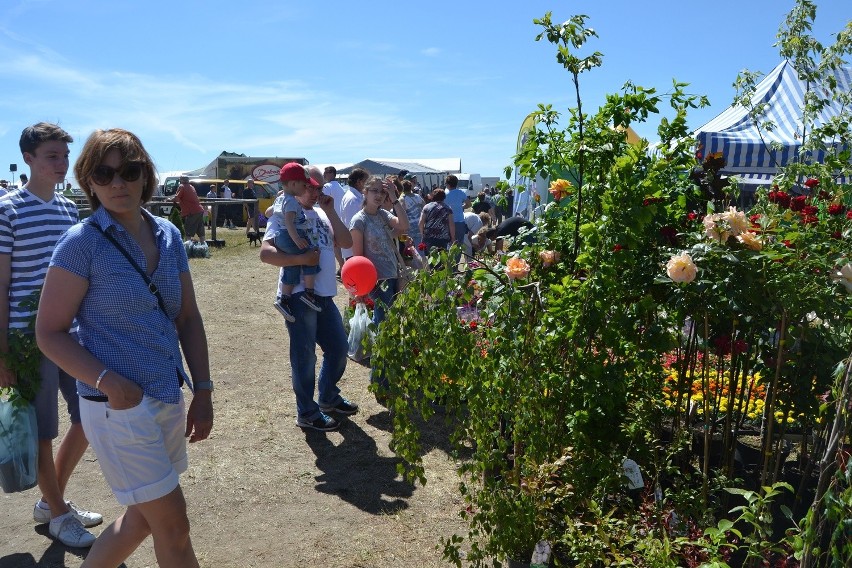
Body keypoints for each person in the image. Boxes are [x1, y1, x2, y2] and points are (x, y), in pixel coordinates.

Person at [35, 128, 214, 566]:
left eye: (129, 171)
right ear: (89, 181)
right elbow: (49, 332)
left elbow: (187, 317)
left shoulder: (169, 235)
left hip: (166, 396)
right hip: (118, 409)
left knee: (142, 519)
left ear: (145, 176)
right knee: (173, 525)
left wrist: (204, 390)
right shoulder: (81, 243)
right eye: (104, 172)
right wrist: (109, 382)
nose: (118, 182)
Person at [0, 122, 101, 548]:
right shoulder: (7, 210)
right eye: (51, 157)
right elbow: (1, 286)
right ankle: (58, 512)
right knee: (42, 429)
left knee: (90, 417)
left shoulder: (66, 210)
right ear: (28, 158)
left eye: (64, 156)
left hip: (71, 333)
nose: (61, 164)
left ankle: (51, 499)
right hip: (27, 337)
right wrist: (2, 353)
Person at [259, 166, 357, 432]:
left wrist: (332, 210)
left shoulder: (324, 213)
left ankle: (328, 397)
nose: (315, 192)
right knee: (305, 357)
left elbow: (346, 240)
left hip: (323, 295)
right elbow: (266, 254)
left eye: (318, 188)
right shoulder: (285, 213)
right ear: (298, 187)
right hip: (300, 297)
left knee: (338, 349)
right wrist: (300, 260)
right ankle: (307, 412)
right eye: (310, 187)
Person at [350, 176, 409, 391]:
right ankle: (379, 380)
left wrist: (394, 199)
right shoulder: (359, 220)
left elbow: (404, 226)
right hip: (377, 283)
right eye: (373, 190)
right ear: (364, 192)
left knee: (390, 330)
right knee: (384, 331)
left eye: (381, 192)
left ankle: (386, 376)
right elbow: (357, 260)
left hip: (393, 278)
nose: (378, 195)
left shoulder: (383, 215)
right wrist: (360, 291)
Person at [268, 163, 323, 322]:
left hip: (281, 236)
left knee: (291, 266)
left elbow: (267, 213)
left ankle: (284, 299)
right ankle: (309, 293)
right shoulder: (291, 201)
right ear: (293, 184)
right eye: (304, 185)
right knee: (311, 257)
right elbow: (289, 221)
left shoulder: (280, 199)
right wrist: (297, 239)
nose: (306, 188)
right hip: (290, 235)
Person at [338, 167, 369, 261]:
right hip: (354, 250)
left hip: (355, 248)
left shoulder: (355, 197)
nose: (368, 184)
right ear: (359, 182)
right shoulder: (353, 200)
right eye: (366, 181)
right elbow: (352, 227)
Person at [321, 166, 346, 271]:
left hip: (331, 219)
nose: (324, 175)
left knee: (335, 245)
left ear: (331, 173)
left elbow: (321, 201)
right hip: (340, 219)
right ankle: (342, 266)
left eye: (325, 173)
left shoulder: (327, 186)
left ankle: (342, 266)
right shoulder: (340, 187)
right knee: (339, 245)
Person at [419, 189, 454, 256]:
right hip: (443, 238)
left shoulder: (426, 207)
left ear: (433, 196)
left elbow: (421, 222)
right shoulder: (448, 209)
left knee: (431, 258)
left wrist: (422, 234)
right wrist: (453, 238)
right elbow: (451, 225)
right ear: (444, 197)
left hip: (429, 237)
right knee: (442, 259)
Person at [171, 176, 205, 241]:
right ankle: (204, 247)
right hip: (199, 210)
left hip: (192, 212)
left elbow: (176, 198)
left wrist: (168, 200)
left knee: (188, 231)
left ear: (181, 180)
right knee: (200, 231)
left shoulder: (182, 186)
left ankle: (188, 248)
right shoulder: (191, 186)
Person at [443, 174, 469, 248]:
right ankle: (457, 259)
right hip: (460, 221)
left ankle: (449, 259)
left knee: (448, 243)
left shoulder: (444, 194)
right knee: (459, 244)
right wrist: (462, 207)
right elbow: (469, 204)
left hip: (448, 222)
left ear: (447, 184)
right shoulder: (461, 193)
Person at [401, 179, 425, 248]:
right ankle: (422, 258)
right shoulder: (417, 196)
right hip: (419, 225)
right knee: (420, 247)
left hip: (408, 228)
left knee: (408, 248)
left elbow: (401, 214)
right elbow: (425, 207)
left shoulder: (402, 199)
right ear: (411, 187)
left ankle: (407, 256)